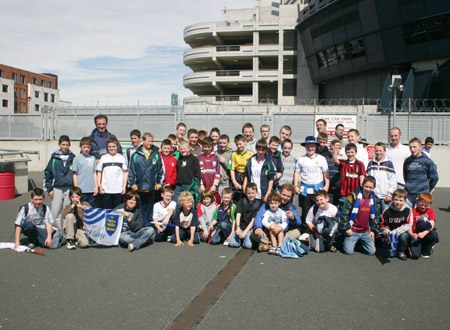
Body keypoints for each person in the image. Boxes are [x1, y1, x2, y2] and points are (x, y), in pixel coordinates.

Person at [128, 132, 164, 226]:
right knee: (139, 208)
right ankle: (139, 226)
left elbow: (160, 170)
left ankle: (148, 227)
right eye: (148, 141)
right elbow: (131, 171)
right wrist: (132, 183)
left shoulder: (156, 154)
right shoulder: (135, 155)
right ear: (143, 141)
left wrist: (158, 182)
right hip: (139, 187)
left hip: (151, 187)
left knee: (149, 209)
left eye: (152, 141)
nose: (150, 143)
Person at [340, 176, 381, 256]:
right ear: (362, 185)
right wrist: (347, 228)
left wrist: (373, 231)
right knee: (348, 252)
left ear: (374, 188)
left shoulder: (375, 200)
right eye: (366, 186)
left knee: (371, 252)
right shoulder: (353, 197)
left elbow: (377, 217)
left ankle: (358, 244)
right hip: (353, 230)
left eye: (371, 187)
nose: (368, 189)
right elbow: (345, 213)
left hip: (366, 231)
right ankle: (347, 240)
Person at [293, 136, 330, 222]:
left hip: (318, 189)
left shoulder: (321, 158)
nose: (310, 148)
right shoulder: (301, 159)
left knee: (318, 211)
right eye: (308, 146)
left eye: (312, 146)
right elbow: (297, 173)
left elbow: (326, 173)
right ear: (305, 147)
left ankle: (318, 229)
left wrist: (326, 186)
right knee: (305, 211)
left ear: (316, 147)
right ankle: (306, 230)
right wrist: (295, 186)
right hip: (305, 190)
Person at [44, 135, 75, 230]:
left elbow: (75, 173)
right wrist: (49, 189)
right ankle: (57, 230)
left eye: (67, 145)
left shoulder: (73, 158)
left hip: (69, 188)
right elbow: (48, 173)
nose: (65, 147)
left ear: (69, 145)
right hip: (57, 187)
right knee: (55, 210)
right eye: (63, 145)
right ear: (59, 145)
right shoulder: (54, 158)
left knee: (67, 210)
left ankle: (67, 230)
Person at [403, 138, 439, 207]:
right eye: (410, 147)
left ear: (420, 148)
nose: (412, 149)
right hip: (409, 194)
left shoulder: (428, 161)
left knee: (421, 216)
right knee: (407, 215)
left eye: (414, 147)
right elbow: (405, 176)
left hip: (421, 194)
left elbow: (434, 178)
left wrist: (427, 189)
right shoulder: (407, 161)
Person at [380, 189, 412, 260]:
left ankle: (401, 250)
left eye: (401, 200)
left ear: (404, 201)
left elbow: (408, 225)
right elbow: (383, 224)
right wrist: (387, 231)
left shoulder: (407, 210)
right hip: (390, 234)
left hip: (401, 233)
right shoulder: (387, 211)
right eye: (396, 200)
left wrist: (397, 231)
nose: (398, 202)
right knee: (388, 254)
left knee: (404, 236)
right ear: (392, 199)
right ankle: (390, 247)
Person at [97, 137, 128, 209]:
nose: (111, 148)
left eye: (113, 146)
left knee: (117, 211)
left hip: (118, 190)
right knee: (106, 211)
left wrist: (124, 187)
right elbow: (99, 172)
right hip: (106, 190)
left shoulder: (121, 158)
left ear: (117, 147)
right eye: (109, 147)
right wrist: (99, 186)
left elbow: (125, 173)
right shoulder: (103, 158)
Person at [229, 183, 262, 249]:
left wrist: (245, 232)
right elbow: (238, 214)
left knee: (248, 245)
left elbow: (253, 220)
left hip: (249, 228)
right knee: (233, 244)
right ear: (246, 193)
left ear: (256, 192)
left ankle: (245, 238)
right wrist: (237, 227)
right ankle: (240, 239)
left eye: (253, 193)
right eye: (249, 193)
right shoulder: (242, 201)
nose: (251, 195)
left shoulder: (258, 204)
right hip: (241, 226)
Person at [367, 142, 396, 211]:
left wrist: (390, 194)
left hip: (385, 196)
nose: (378, 153)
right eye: (376, 151)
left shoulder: (389, 163)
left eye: (380, 151)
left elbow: (393, 180)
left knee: (385, 215)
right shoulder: (371, 163)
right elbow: (368, 178)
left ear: (384, 151)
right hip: (374, 195)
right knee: (373, 215)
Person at [408, 193, 439, 259]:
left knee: (433, 233)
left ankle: (426, 250)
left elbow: (432, 225)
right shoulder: (413, 211)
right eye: (421, 204)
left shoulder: (430, 211)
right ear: (417, 202)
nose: (423, 207)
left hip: (426, 233)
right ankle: (417, 247)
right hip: (416, 234)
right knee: (415, 255)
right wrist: (412, 234)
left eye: (426, 205)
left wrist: (424, 233)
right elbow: (409, 225)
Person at [73, 137, 98, 207]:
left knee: (91, 209)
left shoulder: (92, 158)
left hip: (91, 189)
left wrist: (96, 187)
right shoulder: (76, 159)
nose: (86, 149)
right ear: (81, 147)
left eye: (88, 147)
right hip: (81, 190)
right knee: (81, 208)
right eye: (84, 147)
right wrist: (76, 188)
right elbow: (75, 174)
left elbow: (94, 173)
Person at [230, 134, 253, 202]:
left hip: (246, 177)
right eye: (237, 144)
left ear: (245, 142)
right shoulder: (234, 154)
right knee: (236, 198)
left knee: (246, 197)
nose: (239, 146)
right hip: (237, 177)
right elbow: (232, 169)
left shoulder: (250, 154)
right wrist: (234, 182)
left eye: (240, 144)